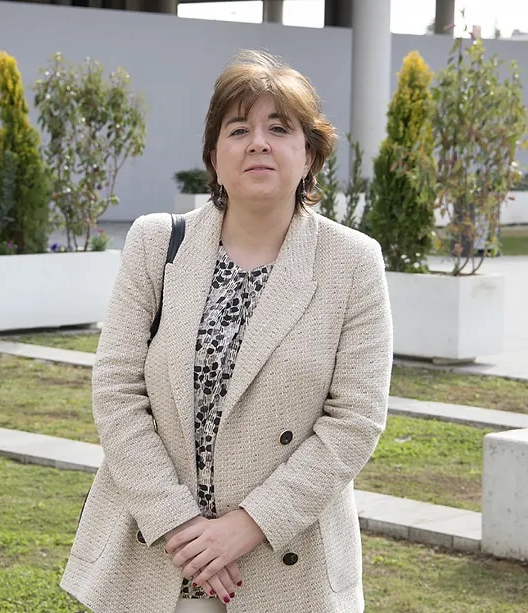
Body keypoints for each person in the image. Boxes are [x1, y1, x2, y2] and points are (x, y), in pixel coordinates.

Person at [60, 49, 392, 613]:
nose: (258, 143)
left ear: (310, 155)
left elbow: (355, 421)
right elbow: (116, 392)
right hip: (159, 557)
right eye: (238, 129)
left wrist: (248, 525)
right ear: (214, 158)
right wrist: (179, 525)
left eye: (279, 129)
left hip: (284, 565)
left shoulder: (352, 262)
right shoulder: (157, 243)